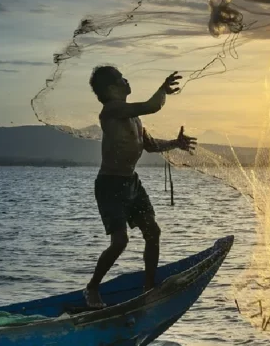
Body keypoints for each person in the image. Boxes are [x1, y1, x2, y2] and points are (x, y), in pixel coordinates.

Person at [83, 65, 197, 308]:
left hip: (131, 182)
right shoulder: (112, 110)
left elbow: (151, 146)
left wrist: (175, 143)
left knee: (152, 232)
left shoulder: (134, 117)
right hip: (110, 184)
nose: (126, 80)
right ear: (111, 89)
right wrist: (163, 89)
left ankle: (149, 287)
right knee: (120, 242)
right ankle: (92, 288)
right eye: (121, 78)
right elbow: (152, 105)